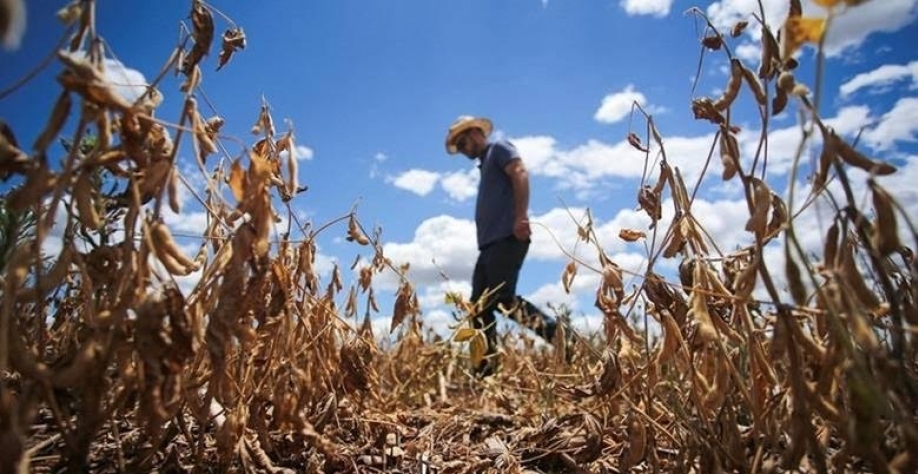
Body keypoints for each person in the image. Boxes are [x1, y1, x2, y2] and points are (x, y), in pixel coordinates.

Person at [445, 115, 563, 377]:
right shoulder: (484, 164)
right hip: (488, 246)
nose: (463, 150)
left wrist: (521, 216)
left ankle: (565, 341)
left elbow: (519, 171)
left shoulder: (499, 148)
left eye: (463, 143)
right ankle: (484, 371)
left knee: (502, 300)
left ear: (476, 133)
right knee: (478, 307)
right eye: (459, 147)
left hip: (506, 239)